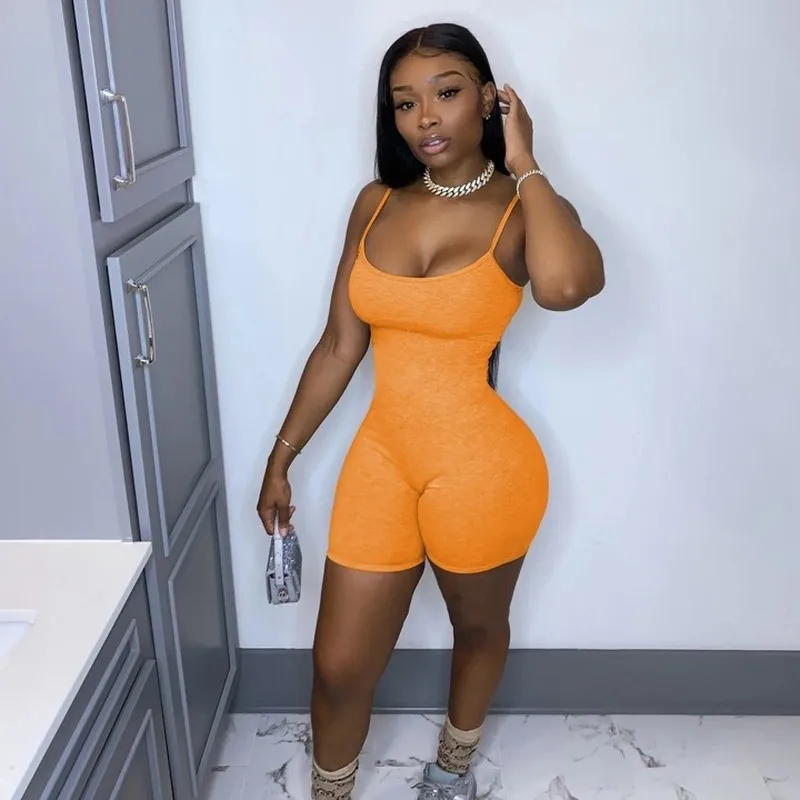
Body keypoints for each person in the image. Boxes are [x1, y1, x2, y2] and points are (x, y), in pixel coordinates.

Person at [257, 21, 605, 800]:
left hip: (482, 467)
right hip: (382, 458)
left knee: (476, 629)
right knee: (338, 666)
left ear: (488, 98)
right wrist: (282, 458)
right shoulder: (376, 203)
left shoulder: (521, 208)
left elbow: (565, 286)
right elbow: (340, 345)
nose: (425, 118)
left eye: (446, 93)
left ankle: (451, 768)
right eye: (405, 102)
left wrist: (527, 163)